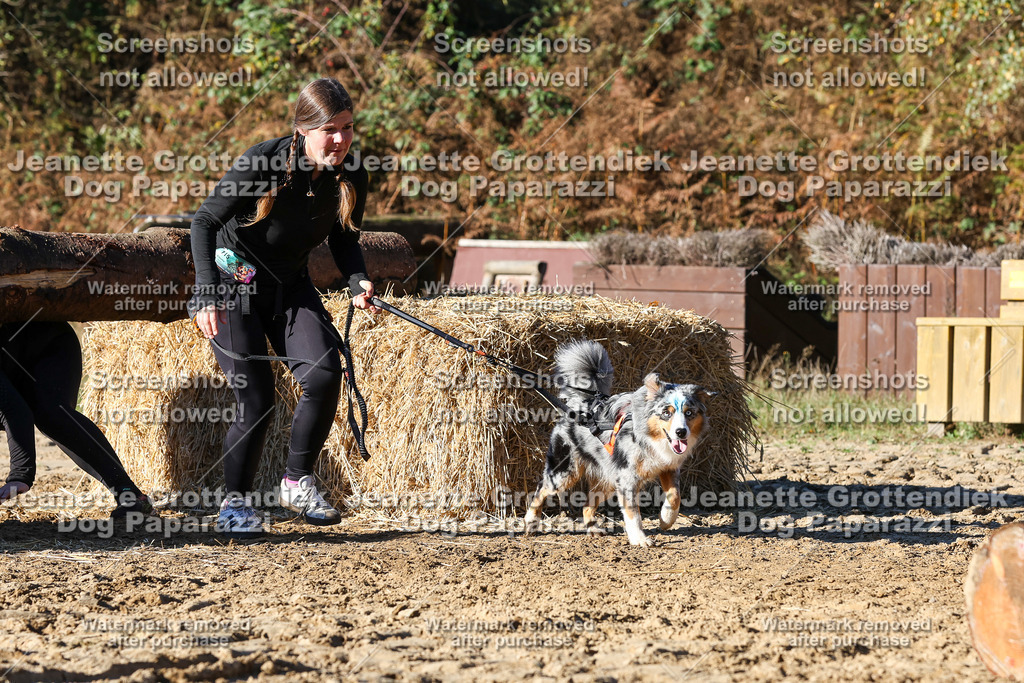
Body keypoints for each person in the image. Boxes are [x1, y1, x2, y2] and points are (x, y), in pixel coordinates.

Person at [189, 77, 379, 538]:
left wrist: (357, 281)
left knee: (324, 374)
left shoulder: (351, 173)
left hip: (290, 286)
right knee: (256, 399)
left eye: (349, 127)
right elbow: (204, 221)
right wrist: (208, 292)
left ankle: (296, 482)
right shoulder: (263, 161)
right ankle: (235, 505)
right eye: (330, 130)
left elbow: (345, 237)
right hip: (236, 283)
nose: (341, 140)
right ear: (303, 129)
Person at [0, 321, 151, 518]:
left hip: (49, 345)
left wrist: (20, 475)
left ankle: (129, 495)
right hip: (11, 357)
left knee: (52, 414)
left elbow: (16, 412)